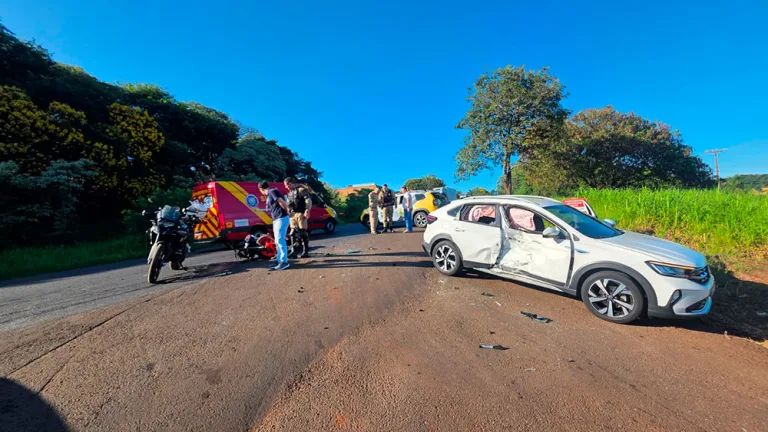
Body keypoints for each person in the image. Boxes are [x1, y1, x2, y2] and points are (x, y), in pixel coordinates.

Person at [259, 181, 290, 270]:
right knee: (277, 241)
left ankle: (284, 261)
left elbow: (281, 201)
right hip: (276, 219)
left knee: (280, 240)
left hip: (281, 218)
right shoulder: (269, 194)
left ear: (261, 189)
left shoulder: (272, 191)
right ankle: (279, 260)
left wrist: (288, 211)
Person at [284, 177, 312, 258]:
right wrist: (289, 211)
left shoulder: (301, 190)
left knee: (302, 233)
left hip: (301, 213)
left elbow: (308, 200)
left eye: (286, 185)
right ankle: (293, 251)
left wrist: (307, 210)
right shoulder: (289, 193)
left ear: (290, 183)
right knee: (292, 233)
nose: (286, 187)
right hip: (293, 214)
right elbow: (289, 204)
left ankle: (305, 251)